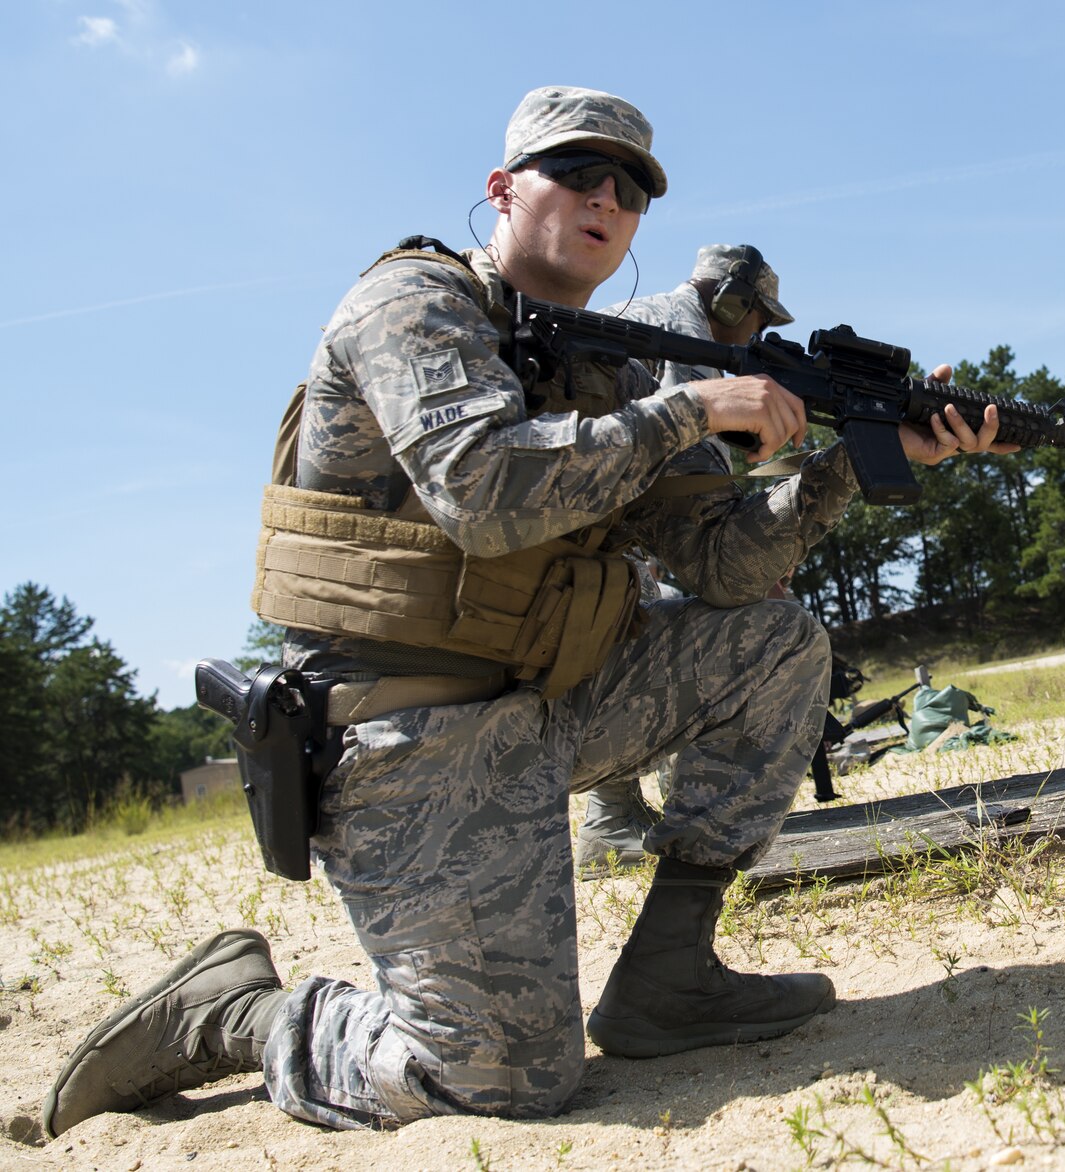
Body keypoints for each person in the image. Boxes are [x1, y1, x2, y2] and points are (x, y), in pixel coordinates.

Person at [42, 84, 1011, 1137]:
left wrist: (852, 469)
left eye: (632, 186)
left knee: (773, 643)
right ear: (504, 189)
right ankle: (237, 1008)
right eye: (579, 171)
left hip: (548, 703)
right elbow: (484, 492)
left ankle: (669, 978)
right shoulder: (413, 301)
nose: (608, 196)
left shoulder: (625, 368)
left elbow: (723, 565)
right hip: (403, 730)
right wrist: (687, 410)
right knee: (496, 1080)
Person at [575, 243, 808, 876]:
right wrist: (748, 555)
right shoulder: (683, 337)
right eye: (757, 317)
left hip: (590, 535)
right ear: (729, 299)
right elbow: (695, 496)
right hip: (591, 558)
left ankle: (626, 816)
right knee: (671, 608)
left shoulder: (658, 324)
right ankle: (626, 821)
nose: (759, 334)